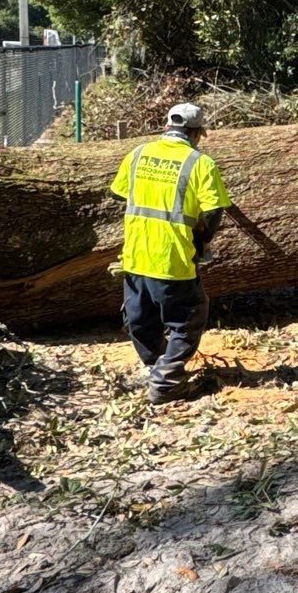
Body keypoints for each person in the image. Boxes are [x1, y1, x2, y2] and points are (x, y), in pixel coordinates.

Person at [111, 101, 233, 404]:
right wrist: (203, 237)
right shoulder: (200, 163)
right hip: (173, 259)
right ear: (197, 133)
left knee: (140, 318)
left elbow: (118, 193)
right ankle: (166, 382)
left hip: (136, 256)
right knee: (189, 317)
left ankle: (153, 365)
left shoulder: (137, 154)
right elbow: (215, 210)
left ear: (167, 127)